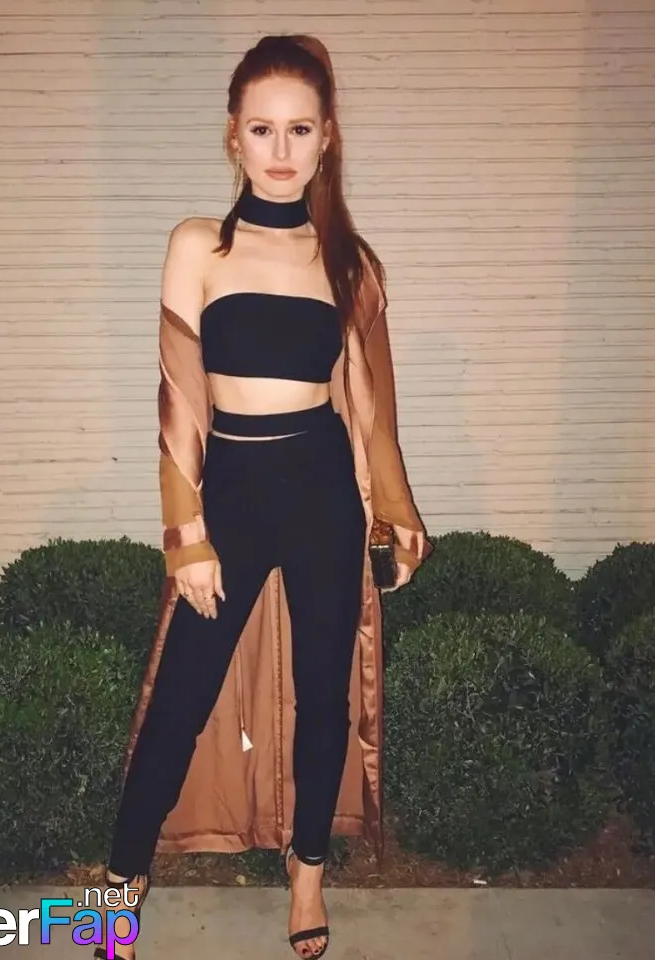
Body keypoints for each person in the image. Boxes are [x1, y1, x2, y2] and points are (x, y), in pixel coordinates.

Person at [97, 33, 431, 960]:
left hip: (321, 491)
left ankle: (308, 872)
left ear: (327, 139)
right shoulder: (197, 245)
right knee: (181, 695)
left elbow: (372, 410)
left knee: (324, 700)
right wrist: (186, 534)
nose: (281, 149)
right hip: (234, 492)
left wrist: (396, 513)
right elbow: (177, 400)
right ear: (232, 136)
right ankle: (121, 880)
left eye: (300, 129)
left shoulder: (350, 263)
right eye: (262, 128)